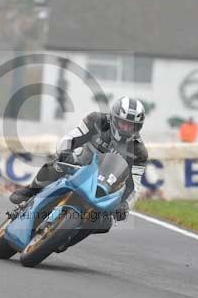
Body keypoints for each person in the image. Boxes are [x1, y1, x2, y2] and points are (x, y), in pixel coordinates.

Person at [8, 96, 148, 246]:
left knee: (105, 222)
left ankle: (66, 239)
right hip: (80, 164)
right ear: (114, 118)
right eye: (123, 123)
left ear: (138, 127)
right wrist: (64, 152)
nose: (126, 129)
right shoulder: (96, 120)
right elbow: (71, 137)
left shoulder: (139, 152)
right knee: (57, 165)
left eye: (131, 126)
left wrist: (125, 205)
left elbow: (134, 185)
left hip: (105, 184)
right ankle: (31, 190)